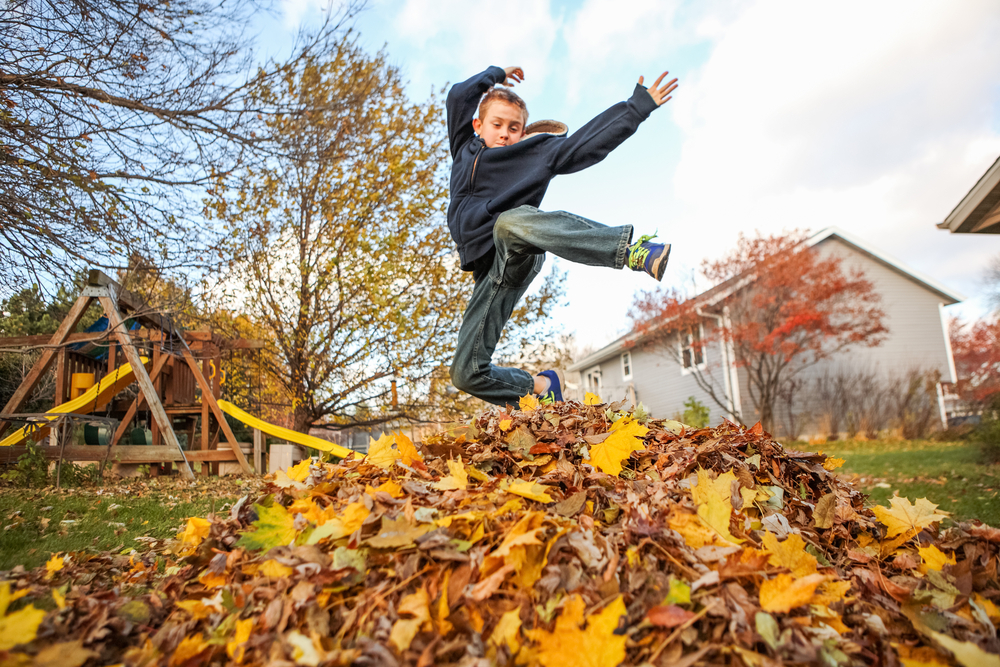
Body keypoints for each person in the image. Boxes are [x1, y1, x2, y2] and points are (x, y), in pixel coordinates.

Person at [446, 64, 678, 407]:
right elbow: (457, 97)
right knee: (465, 373)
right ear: (478, 125)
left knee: (507, 223)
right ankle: (542, 387)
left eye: (514, 128)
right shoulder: (464, 147)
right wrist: (494, 74)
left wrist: (635, 108)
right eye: (497, 125)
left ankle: (632, 250)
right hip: (490, 272)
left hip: (519, 246)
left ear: (524, 133)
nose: (505, 134)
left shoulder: (535, 155)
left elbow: (586, 144)